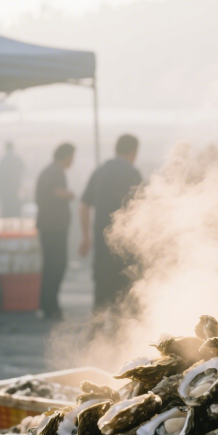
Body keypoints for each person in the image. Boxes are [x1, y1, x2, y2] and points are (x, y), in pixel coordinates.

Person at [80, 134, 142, 311]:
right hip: (124, 248)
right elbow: (141, 210)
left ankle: (97, 335)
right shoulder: (132, 173)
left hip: (101, 245)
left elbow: (83, 205)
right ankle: (119, 337)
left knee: (100, 297)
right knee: (123, 296)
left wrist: (86, 236)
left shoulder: (100, 171)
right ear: (134, 151)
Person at [35, 143, 76, 321]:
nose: (73, 161)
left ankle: (49, 306)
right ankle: (50, 307)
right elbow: (58, 192)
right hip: (54, 228)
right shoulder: (55, 172)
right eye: (72, 156)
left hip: (51, 226)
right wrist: (71, 194)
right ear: (66, 156)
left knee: (52, 266)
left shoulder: (50, 170)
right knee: (56, 266)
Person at [0, 142, 24, 217]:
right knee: (14, 207)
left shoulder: (4, 160)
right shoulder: (17, 159)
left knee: (7, 208)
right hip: (14, 188)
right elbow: (23, 173)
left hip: (6, 189)